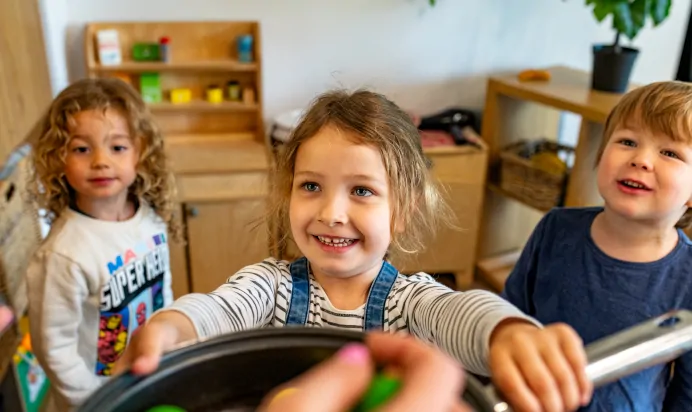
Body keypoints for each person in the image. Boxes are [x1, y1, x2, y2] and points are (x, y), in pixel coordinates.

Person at [115, 89, 592, 412]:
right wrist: (172, 327)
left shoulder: (410, 303)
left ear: (401, 212)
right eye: (311, 187)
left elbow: (461, 310)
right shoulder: (271, 286)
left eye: (361, 191)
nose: (331, 213)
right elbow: (218, 310)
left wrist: (507, 332)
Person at [502, 81, 692, 411]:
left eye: (670, 153)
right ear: (601, 155)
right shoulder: (555, 228)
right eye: (627, 141)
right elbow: (509, 313)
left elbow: (687, 392)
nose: (642, 159)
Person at [26, 78, 181, 411]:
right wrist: (93, 402)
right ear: (58, 158)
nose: (100, 160)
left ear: (140, 152)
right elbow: (55, 349)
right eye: (82, 149)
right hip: (96, 400)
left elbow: (162, 291)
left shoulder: (150, 221)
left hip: (146, 377)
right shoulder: (63, 254)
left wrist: (166, 350)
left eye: (117, 147)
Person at [259, 332, 469, 412]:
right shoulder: (273, 280)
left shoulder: (410, 294)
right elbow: (233, 303)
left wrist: (499, 330)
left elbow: (453, 311)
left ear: (397, 231)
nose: (333, 230)